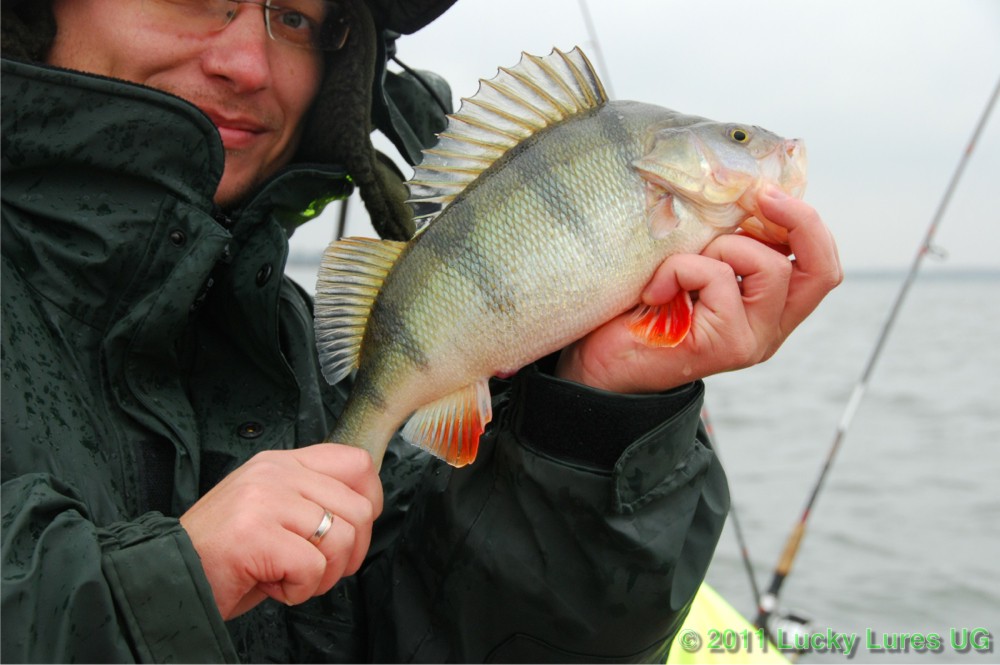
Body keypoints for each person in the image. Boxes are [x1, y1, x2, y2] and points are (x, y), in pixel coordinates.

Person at [0, 0, 842, 662]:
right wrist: (171, 584)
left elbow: (459, 639)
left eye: (295, 18)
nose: (250, 63)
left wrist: (595, 413)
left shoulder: (287, 357)